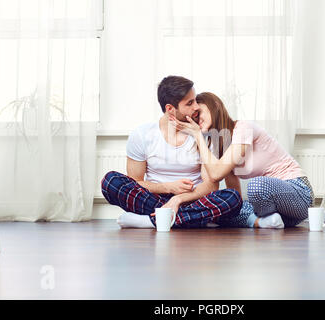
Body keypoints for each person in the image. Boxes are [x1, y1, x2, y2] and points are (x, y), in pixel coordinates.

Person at [101, 76, 242, 228]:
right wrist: (168, 187)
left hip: (193, 199)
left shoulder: (204, 132)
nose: (197, 107)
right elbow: (136, 183)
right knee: (110, 181)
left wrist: (178, 199)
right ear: (170, 109)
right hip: (153, 199)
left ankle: (152, 220)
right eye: (190, 103)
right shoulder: (142, 134)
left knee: (232, 198)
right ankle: (185, 218)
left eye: (195, 100)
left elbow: (211, 185)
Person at [171, 92, 315, 228]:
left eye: (199, 113)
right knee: (225, 208)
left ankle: (255, 219)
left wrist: (197, 135)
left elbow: (216, 173)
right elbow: (234, 194)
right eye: (194, 119)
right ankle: (264, 222)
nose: (197, 120)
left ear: (214, 105)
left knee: (256, 186)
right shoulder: (221, 146)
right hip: (281, 214)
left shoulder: (243, 127)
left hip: (298, 194)